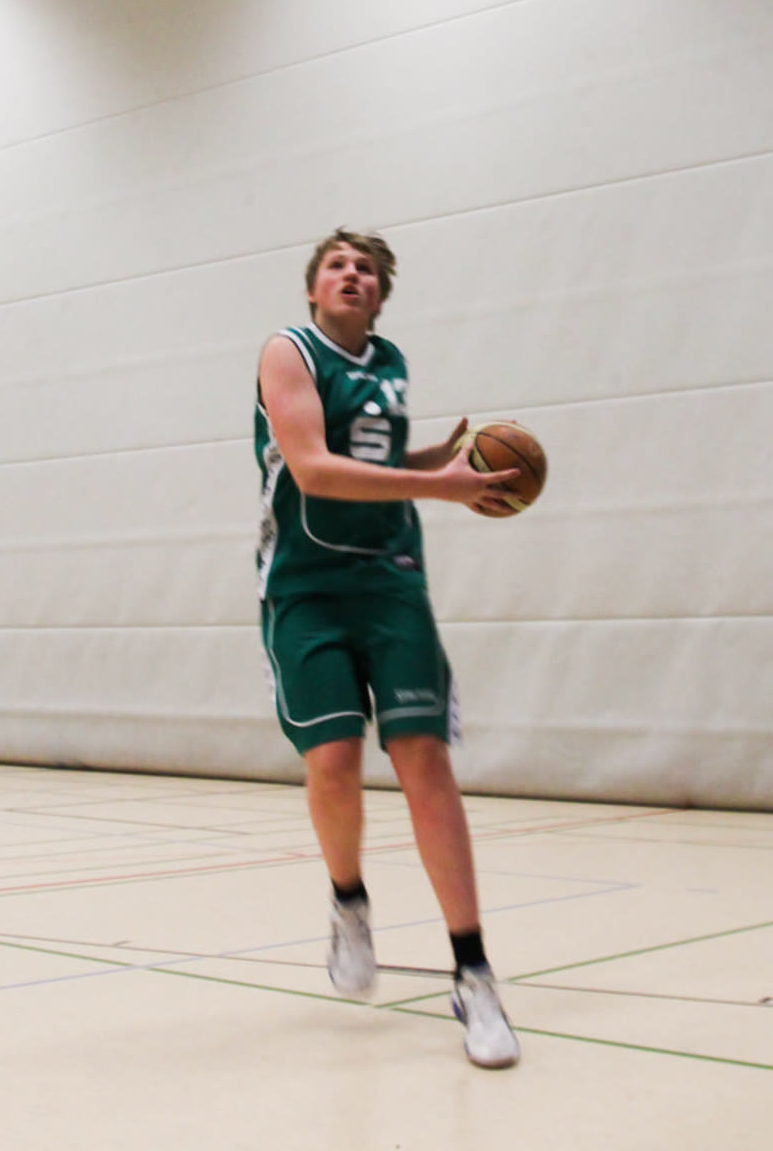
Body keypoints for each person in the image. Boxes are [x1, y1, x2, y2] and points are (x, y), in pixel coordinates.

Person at [256, 226, 521, 1068]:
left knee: (423, 761)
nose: (351, 274)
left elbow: (364, 457)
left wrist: (428, 461)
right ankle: (349, 903)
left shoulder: (390, 362)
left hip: (390, 581)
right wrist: (435, 484)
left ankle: (473, 974)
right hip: (305, 589)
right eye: (336, 265)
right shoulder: (287, 352)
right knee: (333, 762)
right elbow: (313, 468)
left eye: (365, 268)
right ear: (312, 289)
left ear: (380, 293)